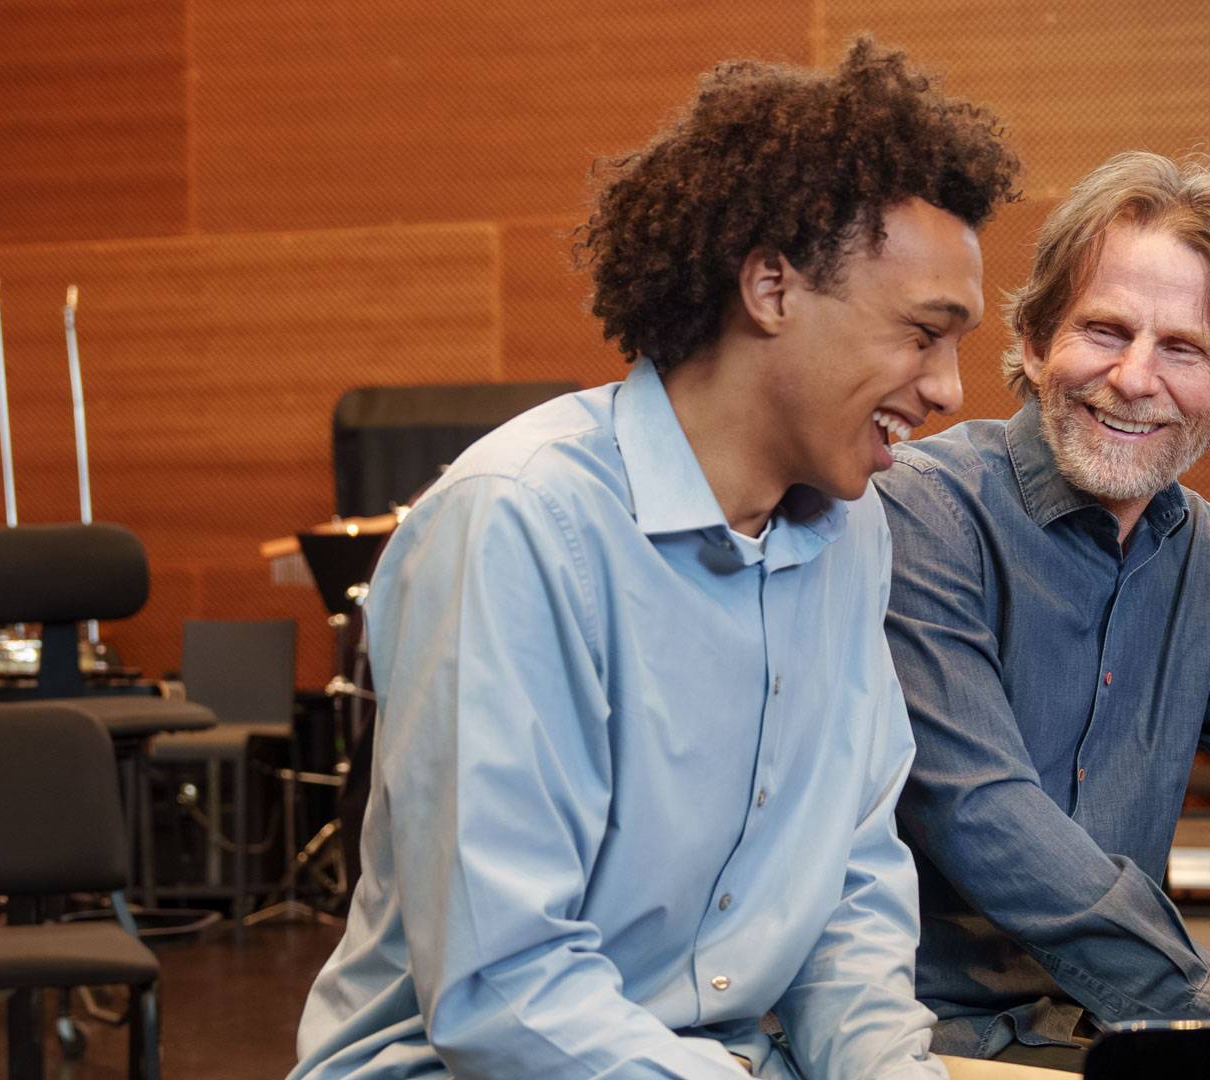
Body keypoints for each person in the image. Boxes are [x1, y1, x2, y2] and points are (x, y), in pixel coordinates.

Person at [290, 40, 1019, 1079]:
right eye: (921, 333)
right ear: (771, 285)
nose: (950, 390)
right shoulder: (517, 522)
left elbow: (849, 898)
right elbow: (507, 990)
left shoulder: (855, 533)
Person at [873, 151, 1210, 1069]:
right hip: (926, 1037)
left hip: (1110, 1033)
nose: (1134, 378)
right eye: (1105, 331)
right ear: (1036, 344)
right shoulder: (923, 510)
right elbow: (987, 817)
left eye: (1183, 348)